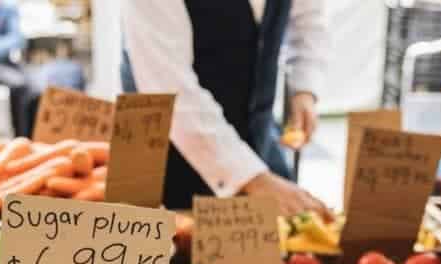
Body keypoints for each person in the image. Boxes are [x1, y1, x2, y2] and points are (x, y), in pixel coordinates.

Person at [121, 0, 330, 215]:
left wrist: (304, 87)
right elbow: (169, 86)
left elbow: (308, 19)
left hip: (257, 143)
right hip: (166, 165)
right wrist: (253, 178)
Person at [0, 0, 32, 137]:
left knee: (30, 87)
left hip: (0, 62)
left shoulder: (8, 8)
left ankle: (24, 138)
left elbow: (17, 39)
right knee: (19, 84)